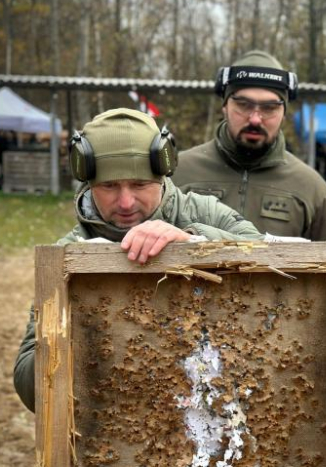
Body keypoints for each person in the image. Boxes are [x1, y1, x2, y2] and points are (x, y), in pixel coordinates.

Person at [13, 108, 263, 412]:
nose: (126, 202)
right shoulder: (68, 253)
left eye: (140, 184)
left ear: (162, 174)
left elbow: (263, 251)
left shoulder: (202, 212)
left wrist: (193, 241)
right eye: (109, 186)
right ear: (89, 183)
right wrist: (78, 326)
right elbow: (32, 390)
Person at [172, 50, 326, 241]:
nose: (255, 119)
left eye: (269, 108)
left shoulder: (311, 188)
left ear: (284, 112)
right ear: (225, 106)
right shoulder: (176, 174)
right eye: (243, 105)